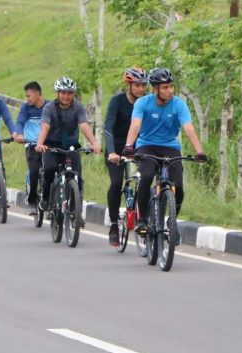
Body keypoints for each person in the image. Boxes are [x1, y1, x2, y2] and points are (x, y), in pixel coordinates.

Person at [122, 68, 206, 235]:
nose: (170, 91)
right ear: (155, 89)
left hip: (170, 147)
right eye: (165, 87)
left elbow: (188, 128)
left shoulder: (179, 104)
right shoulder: (143, 103)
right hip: (147, 145)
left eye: (171, 86)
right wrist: (129, 145)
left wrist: (199, 151)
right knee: (146, 176)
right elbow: (136, 125)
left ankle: (172, 219)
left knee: (179, 187)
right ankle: (142, 220)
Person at [35, 77, 101, 213]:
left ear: (74, 94)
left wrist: (94, 143)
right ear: (57, 93)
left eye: (69, 93)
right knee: (49, 170)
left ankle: (75, 212)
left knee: (78, 178)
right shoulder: (49, 108)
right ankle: (46, 198)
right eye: (63, 92)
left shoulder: (78, 107)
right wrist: (40, 144)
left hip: (71, 147)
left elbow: (84, 125)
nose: (66, 96)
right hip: (51, 146)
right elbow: (45, 127)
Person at [103, 67, 148, 246]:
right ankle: (114, 224)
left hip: (139, 147)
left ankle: (144, 217)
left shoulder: (146, 103)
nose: (141, 89)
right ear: (128, 85)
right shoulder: (117, 101)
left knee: (147, 179)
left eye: (144, 85)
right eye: (137, 85)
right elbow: (108, 127)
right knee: (116, 183)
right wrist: (112, 152)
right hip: (117, 148)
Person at [14, 81, 46, 215]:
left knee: (51, 172)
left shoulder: (49, 107)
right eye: (26, 96)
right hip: (31, 144)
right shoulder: (26, 108)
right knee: (33, 172)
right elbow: (20, 121)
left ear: (38, 94)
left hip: (47, 145)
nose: (27, 99)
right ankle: (32, 200)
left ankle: (49, 200)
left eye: (29, 96)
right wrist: (20, 134)